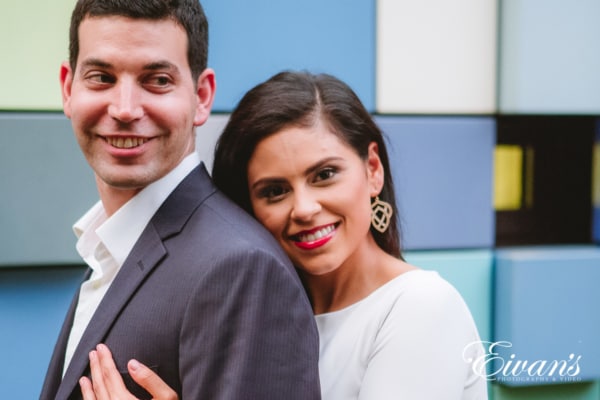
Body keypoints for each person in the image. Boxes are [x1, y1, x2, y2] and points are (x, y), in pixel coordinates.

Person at [81, 71, 488, 399]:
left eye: (324, 175)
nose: (305, 208)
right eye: (274, 191)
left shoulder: (420, 308)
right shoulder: (263, 315)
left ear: (372, 170)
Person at [40, 1, 321, 399]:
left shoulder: (241, 269)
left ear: (201, 96)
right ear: (69, 89)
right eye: (101, 77)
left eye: (156, 80)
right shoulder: (108, 248)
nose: (124, 109)